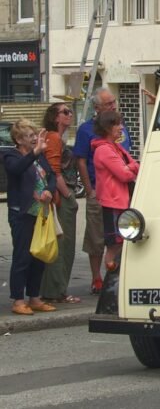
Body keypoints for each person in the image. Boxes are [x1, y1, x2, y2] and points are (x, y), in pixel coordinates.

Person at [74, 88, 133, 294]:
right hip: (99, 190)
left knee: (118, 235)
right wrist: (89, 189)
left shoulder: (121, 128)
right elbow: (80, 160)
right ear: (97, 108)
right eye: (108, 104)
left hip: (121, 192)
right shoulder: (86, 130)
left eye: (113, 101)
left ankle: (116, 275)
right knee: (97, 236)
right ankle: (96, 277)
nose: (113, 105)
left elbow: (127, 156)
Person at [3, 119, 58, 315]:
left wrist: (49, 191)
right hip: (22, 212)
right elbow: (16, 169)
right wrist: (35, 152)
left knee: (39, 255)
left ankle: (34, 298)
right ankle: (18, 300)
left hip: (40, 212)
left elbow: (50, 175)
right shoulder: (11, 155)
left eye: (35, 134)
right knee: (22, 256)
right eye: (30, 136)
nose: (35, 138)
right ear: (18, 139)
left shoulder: (39, 155)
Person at [39, 103, 81, 303]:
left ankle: (54, 289)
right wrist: (68, 196)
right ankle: (58, 291)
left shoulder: (54, 137)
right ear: (55, 117)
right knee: (64, 244)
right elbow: (55, 171)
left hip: (58, 196)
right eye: (65, 112)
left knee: (59, 243)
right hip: (61, 197)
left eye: (70, 111)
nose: (69, 114)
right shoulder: (54, 137)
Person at [92, 111, 139, 269]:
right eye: (117, 124)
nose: (121, 128)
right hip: (113, 204)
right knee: (115, 245)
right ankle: (112, 276)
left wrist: (130, 166)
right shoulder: (104, 150)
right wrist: (131, 167)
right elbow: (125, 174)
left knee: (123, 242)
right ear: (107, 127)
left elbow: (134, 166)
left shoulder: (116, 148)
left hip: (122, 202)